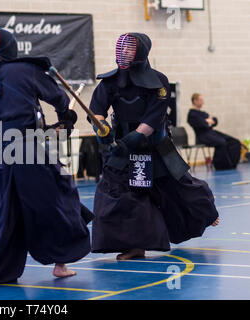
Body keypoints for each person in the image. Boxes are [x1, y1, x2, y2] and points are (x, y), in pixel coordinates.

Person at [0, 26, 93, 288]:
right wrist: (66, 116)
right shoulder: (27, 70)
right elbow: (58, 97)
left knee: (2, 212)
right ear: (10, 46)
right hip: (27, 151)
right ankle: (60, 263)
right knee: (58, 197)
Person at [89, 33, 220, 260]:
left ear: (140, 52)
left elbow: (153, 118)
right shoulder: (109, 82)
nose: (125, 53)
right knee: (117, 191)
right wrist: (101, 129)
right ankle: (135, 246)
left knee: (180, 187)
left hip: (155, 145)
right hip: (121, 148)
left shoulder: (159, 82)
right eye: (122, 48)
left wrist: (134, 139)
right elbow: (96, 111)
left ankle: (206, 212)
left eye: (130, 49)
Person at [187, 93, 241, 170]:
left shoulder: (203, 113)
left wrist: (208, 121)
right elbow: (203, 124)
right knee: (221, 142)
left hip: (212, 133)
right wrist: (208, 121)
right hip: (202, 136)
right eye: (201, 100)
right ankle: (221, 165)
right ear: (195, 101)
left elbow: (215, 120)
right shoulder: (192, 114)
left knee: (234, 142)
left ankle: (231, 164)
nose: (203, 102)